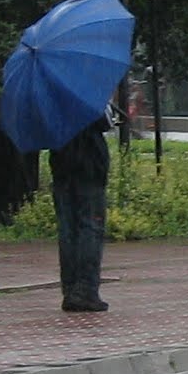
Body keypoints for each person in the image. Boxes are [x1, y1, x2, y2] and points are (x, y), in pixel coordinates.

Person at [50, 106, 112, 312]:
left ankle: (70, 288)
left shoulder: (50, 96)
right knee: (90, 226)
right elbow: (103, 121)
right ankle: (85, 290)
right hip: (88, 163)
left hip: (61, 159)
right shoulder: (85, 89)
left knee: (68, 228)